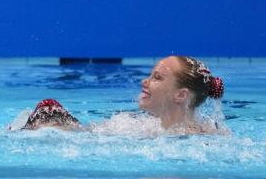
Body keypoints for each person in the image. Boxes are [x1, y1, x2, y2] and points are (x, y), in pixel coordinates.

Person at [21, 56, 226, 134]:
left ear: (180, 95)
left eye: (157, 77)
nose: (144, 82)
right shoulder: (140, 125)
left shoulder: (196, 139)